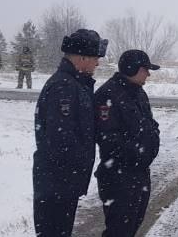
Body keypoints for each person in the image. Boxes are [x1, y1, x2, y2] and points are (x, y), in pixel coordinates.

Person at [33, 29, 108, 237]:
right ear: (82, 58)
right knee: (54, 232)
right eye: (95, 58)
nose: (98, 63)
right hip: (56, 181)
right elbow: (60, 139)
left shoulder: (75, 84)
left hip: (63, 181)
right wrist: (78, 164)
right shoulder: (63, 87)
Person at [94, 49, 161, 237]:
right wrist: (137, 154)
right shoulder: (108, 95)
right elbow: (108, 139)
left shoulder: (139, 93)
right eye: (145, 69)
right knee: (118, 231)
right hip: (118, 178)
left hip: (139, 174)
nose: (148, 73)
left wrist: (151, 144)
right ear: (132, 69)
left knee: (131, 228)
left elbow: (151, 125)